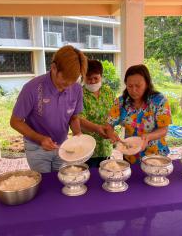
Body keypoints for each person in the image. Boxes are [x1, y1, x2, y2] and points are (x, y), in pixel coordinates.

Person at [10, 45, 87, 173]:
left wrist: (78, 134)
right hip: (37, 148)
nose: (68, 86)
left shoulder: (76, 88)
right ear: (54, 68)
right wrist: (40, 139)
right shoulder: (32, 88)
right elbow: (15, 121)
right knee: (45, 185)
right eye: (65, 81)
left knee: (61, 182)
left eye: (72, 81)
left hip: (63, 146)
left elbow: (73, 117)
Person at [106, 64, 172, 164]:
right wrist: (111, 133)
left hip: (155, 155)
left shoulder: (159, 101)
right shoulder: (121, 102)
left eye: (138, 86)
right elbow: (109, 124)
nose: (133, 90)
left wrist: (148, 137)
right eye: (130, 86)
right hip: (130, 154)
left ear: (147, 83)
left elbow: (164, 129)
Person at [80, 60, 116, 167]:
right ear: (83, 77)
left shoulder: (108, 92)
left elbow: (115, 114)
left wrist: (112, 131)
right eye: (89, 78)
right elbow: (80, 119)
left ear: (101, 76)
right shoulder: (80, 94)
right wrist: (97, 128)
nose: (92, 81)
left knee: (106, 172)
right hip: (88, 146)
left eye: (96, 78)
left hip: (106, 144)